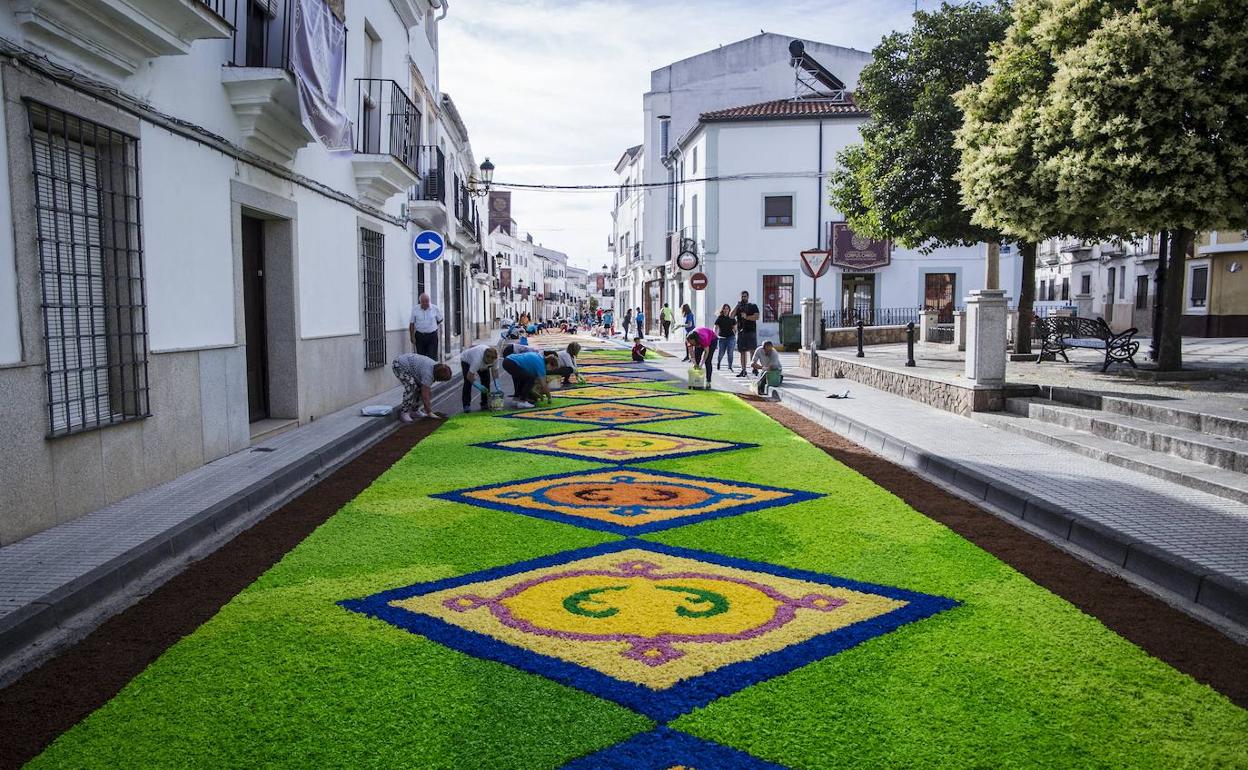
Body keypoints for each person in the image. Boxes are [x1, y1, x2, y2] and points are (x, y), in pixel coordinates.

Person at [391, 352, 452, 423]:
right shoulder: (428, 374)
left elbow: (425, 390)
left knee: (420, 388)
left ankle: (415, 411)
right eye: (441, 380)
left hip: (411, 366)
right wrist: (429, 412)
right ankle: (404, 412)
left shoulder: (435, 368)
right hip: (399, 365)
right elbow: (425, 395)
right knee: (411, 387)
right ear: (438, 377)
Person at [458, 344, 499, 412]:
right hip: (466, 360)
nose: (490, 361)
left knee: (486, 381)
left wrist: (498, 385)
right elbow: (469, 376)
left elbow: (495, 371)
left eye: (492, 360)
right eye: (488, 361)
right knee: (468, 382)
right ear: (485, 357)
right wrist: (478, 386)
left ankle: (484, 403)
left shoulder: (495, 358)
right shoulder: (477, 361)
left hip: (481, 362)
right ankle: (466, 405)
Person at [734, 290, 761, 378]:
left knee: (752, 351)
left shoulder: (753, 306)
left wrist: (747, 317)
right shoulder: (739, 307)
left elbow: (757, 316)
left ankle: (754, 368)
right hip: (741, 332)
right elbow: (731, 316)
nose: (743, 298)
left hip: (751, 331)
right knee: (742, 352)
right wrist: (736, 306)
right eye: (742, 296)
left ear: (748, 297)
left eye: (745, 296)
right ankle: (743, 370)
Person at [408, 293, 443, 360]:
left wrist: (433, 325)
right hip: (419, 336)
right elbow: (412, 323)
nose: (425, 303)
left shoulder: (434, 308)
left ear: (429, 301)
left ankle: (431, 370)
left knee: (432, 356)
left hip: (432, 336)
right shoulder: (415, 309)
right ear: (420, 302)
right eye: (423, 302)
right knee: (421, 357)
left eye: (427, 301)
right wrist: (412, 336)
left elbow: (440, 319)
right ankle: (422, 370)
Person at [713, 303, 737, 373]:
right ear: (722, 310)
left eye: (727, 309)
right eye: (724, 309)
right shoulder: (720, 318)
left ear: (729, 310)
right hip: (722, 338)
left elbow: (735, 328)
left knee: (730, 352)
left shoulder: (732, 318)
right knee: (721, 353)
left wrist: (735, 335)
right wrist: (714, 334)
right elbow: (716, 327)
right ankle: (719, 362)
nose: (726, 310)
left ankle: (730, 366)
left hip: (731, 337)